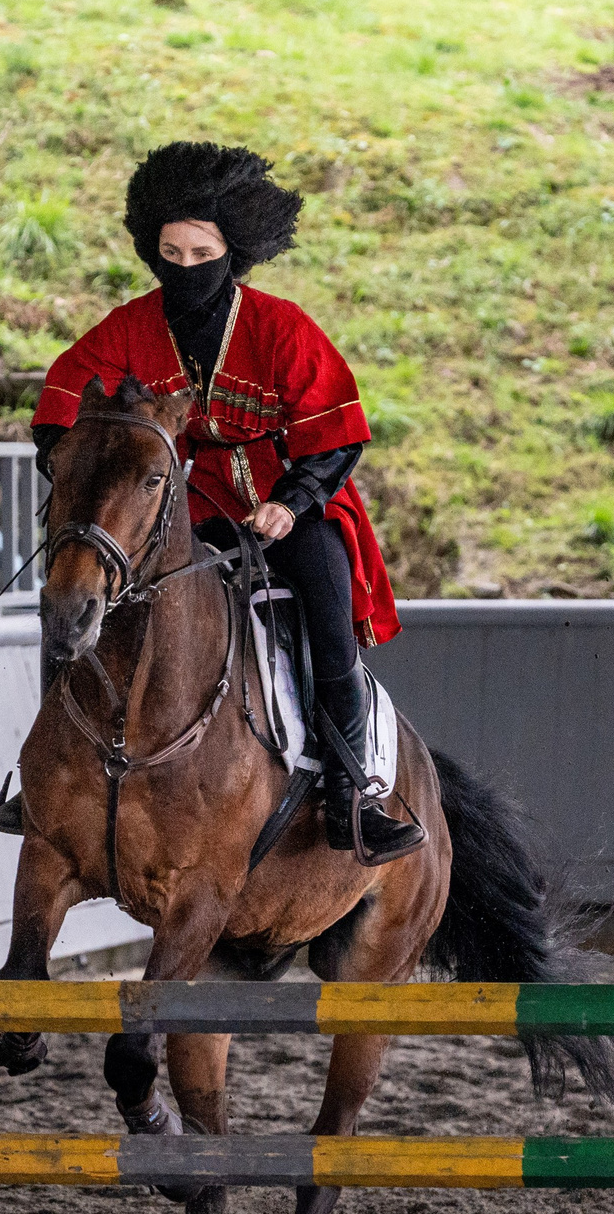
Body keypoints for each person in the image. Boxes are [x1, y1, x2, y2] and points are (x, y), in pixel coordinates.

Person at [30, 141, 418, 863]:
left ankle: (348, 793)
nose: (184, 268)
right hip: (183, 508)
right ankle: (46, 774)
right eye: (169, 252)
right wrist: (79, 464)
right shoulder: (126, 330)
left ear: (231, 251)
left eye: (200, 252)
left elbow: (336, 437)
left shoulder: (283, 328)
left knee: (327, 620)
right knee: (73, 596)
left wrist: (293, 502)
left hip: (289, 505)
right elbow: (59, 404)